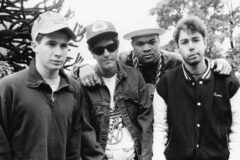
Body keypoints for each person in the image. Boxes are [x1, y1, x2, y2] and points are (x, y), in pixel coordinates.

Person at [152, 15, 240, 160]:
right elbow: (160, 129)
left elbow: (237, 130)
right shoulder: (165, 84)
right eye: (184, 42)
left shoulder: (228, 81)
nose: (191, 46)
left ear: (205, 42)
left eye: (196, 40)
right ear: (178, 47)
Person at [0, 11, 84, 160]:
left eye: (63, 46)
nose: (58, 53)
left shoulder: (74, 89)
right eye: (51, 44)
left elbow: (74, 147)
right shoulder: (8, 88)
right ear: (34, 46)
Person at [75, 24, 232, 99]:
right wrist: (83, 66)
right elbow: (99, 60)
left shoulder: (174, 61)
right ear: (132, 45)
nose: (147, 48)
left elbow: (198, 63)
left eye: (151, 42)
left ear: (159, 41)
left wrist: (218, 62)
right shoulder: (123, 59)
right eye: (140, 44)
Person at [80, 20, 153, 160]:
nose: (106, 54)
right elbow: (85, 131)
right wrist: (80, 68)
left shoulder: (135, 77)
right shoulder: (84, 85)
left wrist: (146, 156)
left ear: (118, 46)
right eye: (99, 50)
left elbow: (146, 120)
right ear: (92, 52)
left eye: (111, 47)